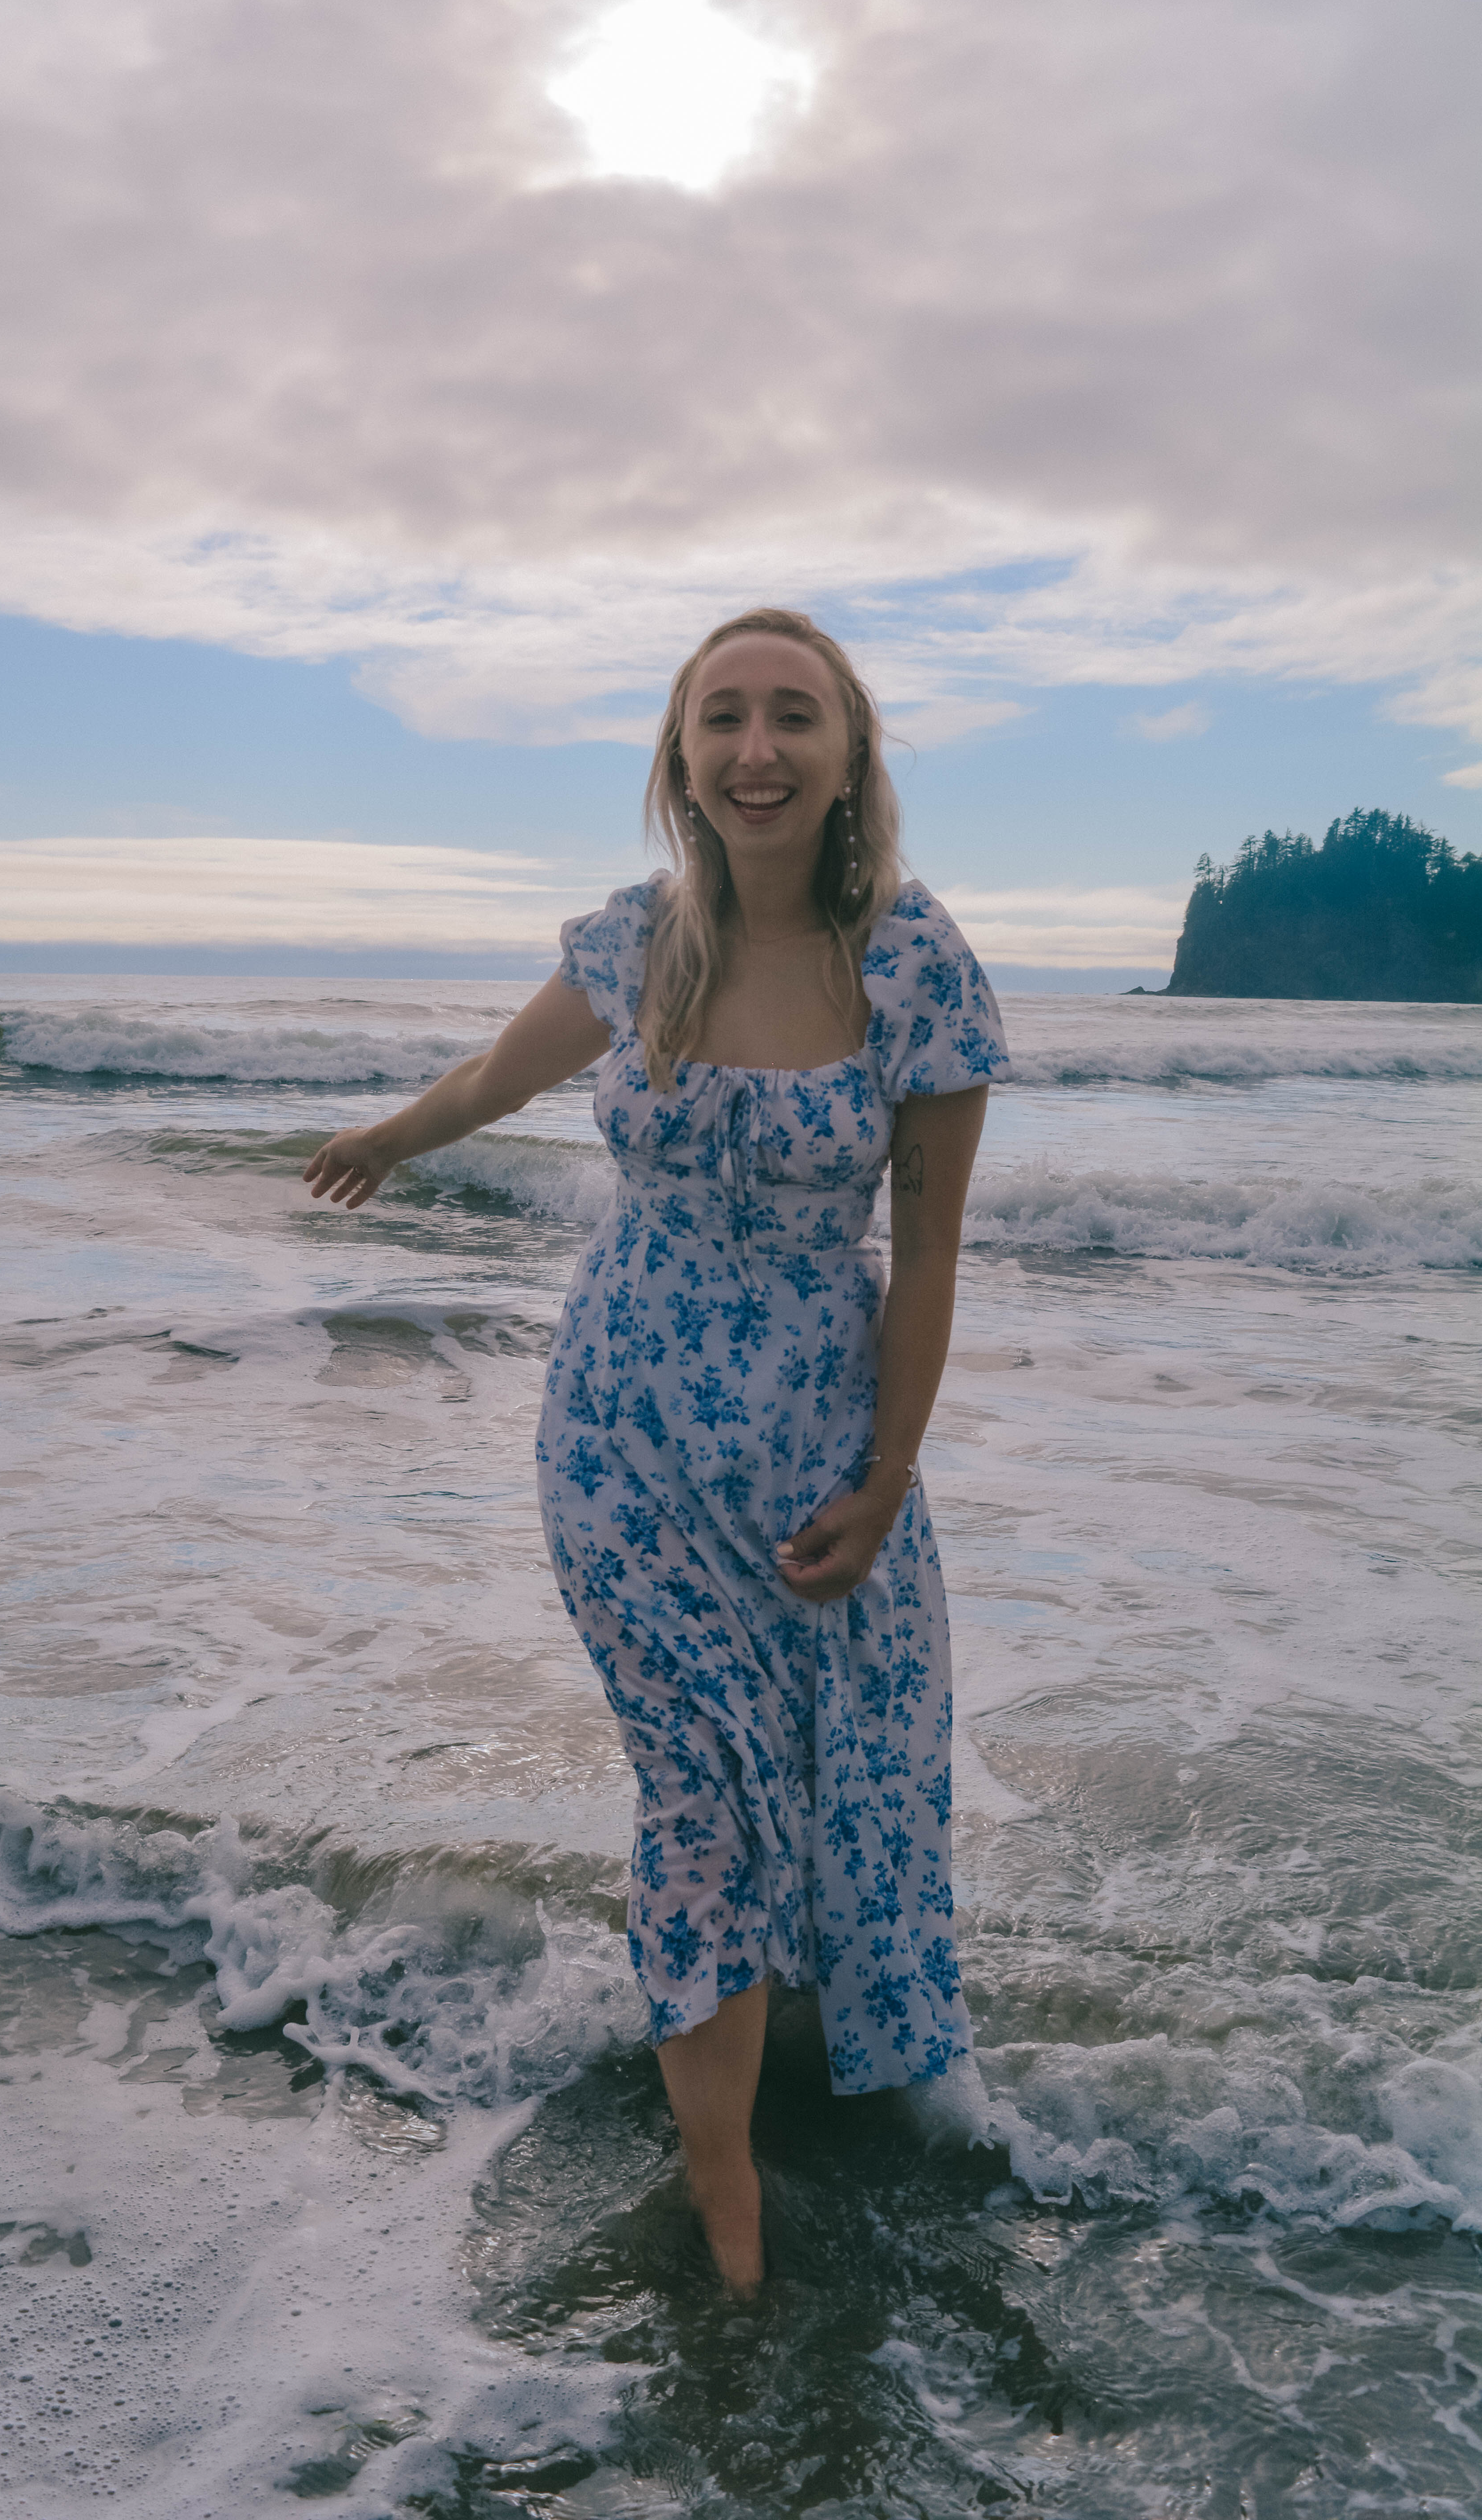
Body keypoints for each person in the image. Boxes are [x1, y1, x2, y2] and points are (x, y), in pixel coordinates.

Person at [304, 607, 1008, 2293]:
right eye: (722, 720)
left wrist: (885, 1480)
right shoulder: (638, 946)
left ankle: (849, 2096)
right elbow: (497, 1072)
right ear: (680, 758)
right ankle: (729, 2213)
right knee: (707, 1791)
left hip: (821, 1443)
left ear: (851, 757)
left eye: (793, 718)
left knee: (849, 1773)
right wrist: (395, 1135)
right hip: (622, 1432)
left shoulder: (918, 968)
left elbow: (927, 1262)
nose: (756, 750)